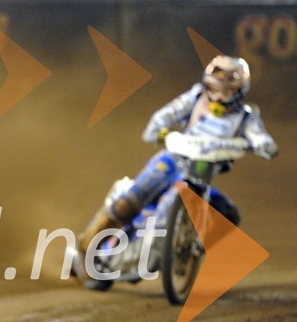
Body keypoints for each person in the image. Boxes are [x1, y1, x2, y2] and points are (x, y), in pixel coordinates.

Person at [76, 55, 279, 257]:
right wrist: (160, 131)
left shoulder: (246, 116)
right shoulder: (195, 98)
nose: (219, 97)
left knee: (228, 214)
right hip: (173, 160)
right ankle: (86, 247)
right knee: (131, 200)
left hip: (202, 170)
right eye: (215, 89)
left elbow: (259, 136)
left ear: (239, 91)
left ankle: (189, 251)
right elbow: (166, 115)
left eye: (226, 92)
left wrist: (264, 145)